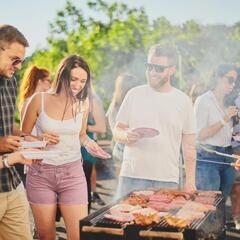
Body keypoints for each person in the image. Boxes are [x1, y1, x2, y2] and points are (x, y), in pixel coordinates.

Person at [22, 54, 106, 240]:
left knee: (77, 235)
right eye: (74, 79)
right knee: (46, 236)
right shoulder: (39, 99)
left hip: (72, 173)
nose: (78, 85)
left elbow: (81, 135)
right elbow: (22, 136)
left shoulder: (83, 103)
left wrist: (91, 144)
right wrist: (40, 138)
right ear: (62, 76)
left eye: (83, 81)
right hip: (40, 174)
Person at [113, 44, 196, 198]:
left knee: (161, 221)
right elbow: (117, 131)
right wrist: (125, 136)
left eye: (159, 68)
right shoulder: (134, 94)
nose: (152, 72)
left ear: (172, 70)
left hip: (166, 179)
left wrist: (190, 181)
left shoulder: (183, 101)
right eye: (149, 66)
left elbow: (189, 146)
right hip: (131, 176)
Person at [0, 24, 34, 240]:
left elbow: (6, 124)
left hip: (10, 182)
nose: (19, 66)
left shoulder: (11, 83)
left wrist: (27, 136)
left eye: (21, 60)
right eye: (14, 59)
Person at [194, 64, 238, 199]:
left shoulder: (229, 101)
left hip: (227, 155)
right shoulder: (204, 101)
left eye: (235, 81)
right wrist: (224, 119)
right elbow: (199, 134)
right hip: (208, 157)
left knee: (221, 203)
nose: (233, 84)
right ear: (218, 78)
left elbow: (226, 131)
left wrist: (234, 133)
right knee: (208, 204)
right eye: (230, 79)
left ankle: (220, 221)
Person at [17, 65, 51, 185]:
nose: (51, 85)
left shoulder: (32, 100)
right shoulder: (31, 102)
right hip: (35, 153)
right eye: (49, 81)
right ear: (40, 81)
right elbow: (24, 132)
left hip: (38, 152)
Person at [106, 73, 138, 176]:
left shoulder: (114, 105)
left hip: (118, 149)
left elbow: (110, 126)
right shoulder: (128, 106)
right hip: (129, 150)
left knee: (122, 185)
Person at [81, 89, 106, 212]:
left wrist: (81, 127)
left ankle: (82, 223)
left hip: (85, 151)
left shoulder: (93, 100)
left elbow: (101, 128)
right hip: (69, 150)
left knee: (84, 187)